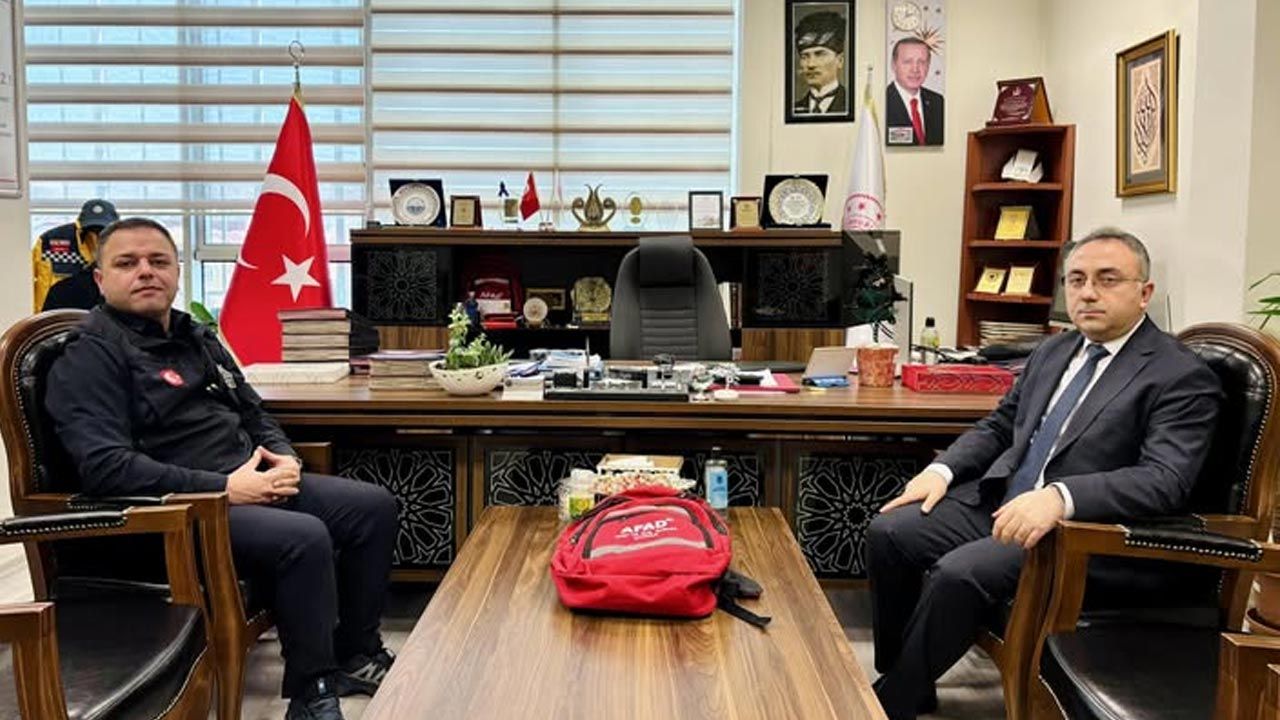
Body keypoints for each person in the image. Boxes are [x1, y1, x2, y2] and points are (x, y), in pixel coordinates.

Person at [44, 217, 399, 720]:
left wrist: (285, 458)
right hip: (173, 512)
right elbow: (107, 468)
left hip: (245, 485)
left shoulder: (194, 336)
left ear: (177, 272)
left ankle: (356, 653)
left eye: (158, 261)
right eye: (127, 263)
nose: (145, 271)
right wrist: (226, 488)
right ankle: (312, 690)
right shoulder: (90, 355)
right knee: (304, 537)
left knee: (373, 508)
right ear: (100, 280)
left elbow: (252, 410)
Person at [866, 228, 1223, 720]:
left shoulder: (1179, 374)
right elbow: (1000, 425)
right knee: (890, 532)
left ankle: (892, 701)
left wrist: (1060, 497)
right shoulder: (1055, 351)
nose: (1088, 293)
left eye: (1107, 279)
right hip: (1007, 500)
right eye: (1076, 280)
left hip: (1077, 531)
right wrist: (942, 470)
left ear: (1144, 293)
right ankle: (904, 675)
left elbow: (1165, 479)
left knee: (960, 573)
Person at [32, 199, 118, 311]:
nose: (96, 234)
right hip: (56, 316)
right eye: (91, 230)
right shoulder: (48, 243)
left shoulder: (127, 245)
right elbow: (25, 283)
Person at [884, 37, 944, 146]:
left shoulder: (938, 102)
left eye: (921, 62)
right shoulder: (883, 102)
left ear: (928, 65)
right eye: (908, 62)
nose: (915, 69)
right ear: (893, 65)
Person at [792, 11, 848, 116]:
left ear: (840, 60)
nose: (811, 64)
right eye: (805, 56)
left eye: (820, 54)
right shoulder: (794, 109)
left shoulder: (852, 105)